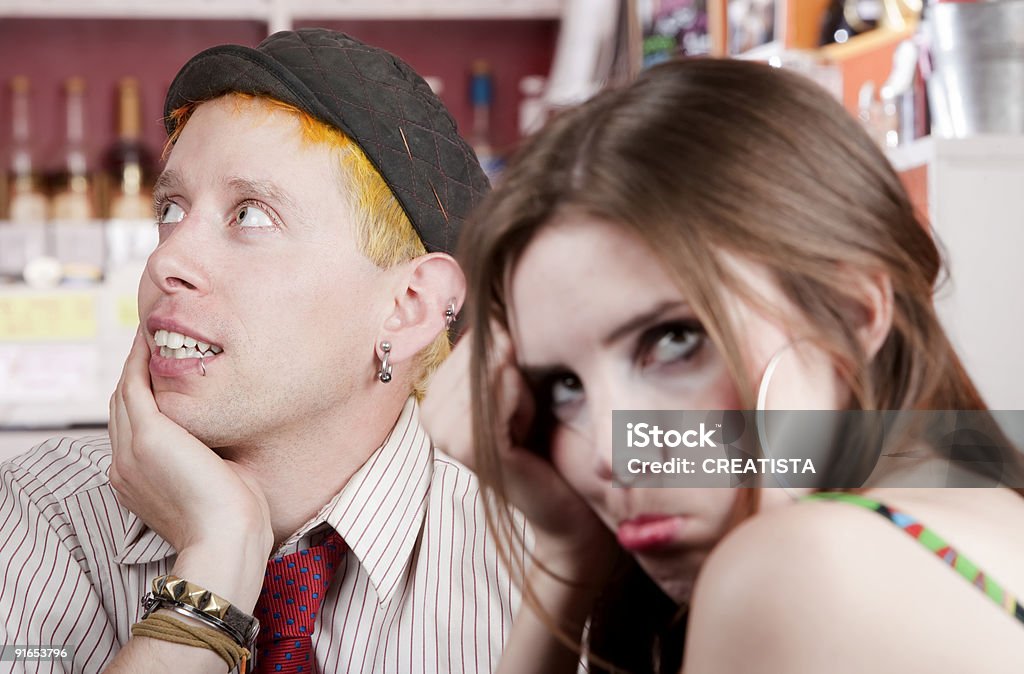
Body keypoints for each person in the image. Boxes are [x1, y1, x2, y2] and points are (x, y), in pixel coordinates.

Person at [422, 57, 1024, 673]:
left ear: (852, 311)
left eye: (676, 341)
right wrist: (569, 554)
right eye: (564, 387)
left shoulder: (799, 570)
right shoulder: (986, 522)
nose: (612, 451)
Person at [0, 29, 521, 674]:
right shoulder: (41, 511)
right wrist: (212, 573)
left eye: (250, 215)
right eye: (170, 209)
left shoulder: (535, 571)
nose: (167, 258)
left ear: (409, 305)